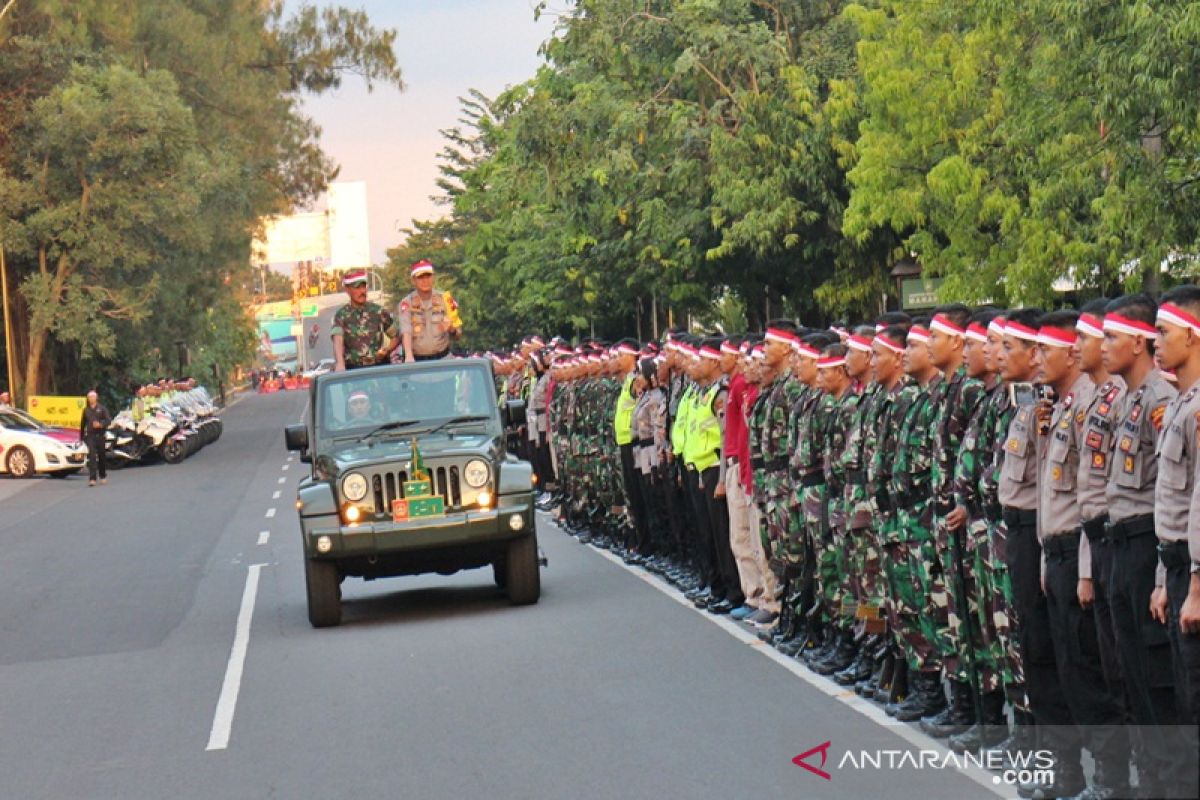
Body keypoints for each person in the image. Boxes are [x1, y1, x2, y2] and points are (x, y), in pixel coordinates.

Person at [331, 270, 400, 371]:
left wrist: (387, 350)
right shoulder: (341, 315)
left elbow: (396, 335)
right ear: (347, 289)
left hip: (377, 368)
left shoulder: (378, 312)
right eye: (357, 288)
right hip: (354, 370)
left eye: (364, 287)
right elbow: (337, 339)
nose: (362, 291)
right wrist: (340, 363)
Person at [399, 260, 463, 362]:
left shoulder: (445, 299)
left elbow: (458, 334)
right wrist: (408, 355)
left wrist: (451, 329)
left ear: (433, 277)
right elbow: (406, 331)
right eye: (420, 277)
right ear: (413, 280)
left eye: (428, 276)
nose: (425, 281)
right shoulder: (406, 303)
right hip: (418, 361)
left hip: (443, 359)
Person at [79, 390, 111, 487]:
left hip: (100, 435)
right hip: (90, 436)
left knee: (102, 456)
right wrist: (81, 437)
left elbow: (108, 420)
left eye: (93, 397)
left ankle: (103, 475)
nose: (91, 399)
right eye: (89, 397)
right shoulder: (86, 410)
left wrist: (101, 425)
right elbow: (82, 424)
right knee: (92, 457)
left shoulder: (102, 409)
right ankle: (92, 479)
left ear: (96, 398)